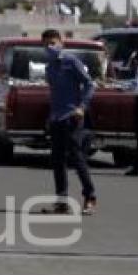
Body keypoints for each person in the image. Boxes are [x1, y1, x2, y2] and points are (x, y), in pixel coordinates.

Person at [41, 29, 97, 215]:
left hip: (72, 116)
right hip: (57, 117)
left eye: (53, 43)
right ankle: (62, 201)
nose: (50, 47)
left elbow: (89, 84)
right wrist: (50, 116)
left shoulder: (71, 61)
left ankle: (90, 197)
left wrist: (82, 106)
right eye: (46, 44)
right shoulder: (49, 67)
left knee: (77, 157)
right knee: (57, 160)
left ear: (61, 42)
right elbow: (54, 93)